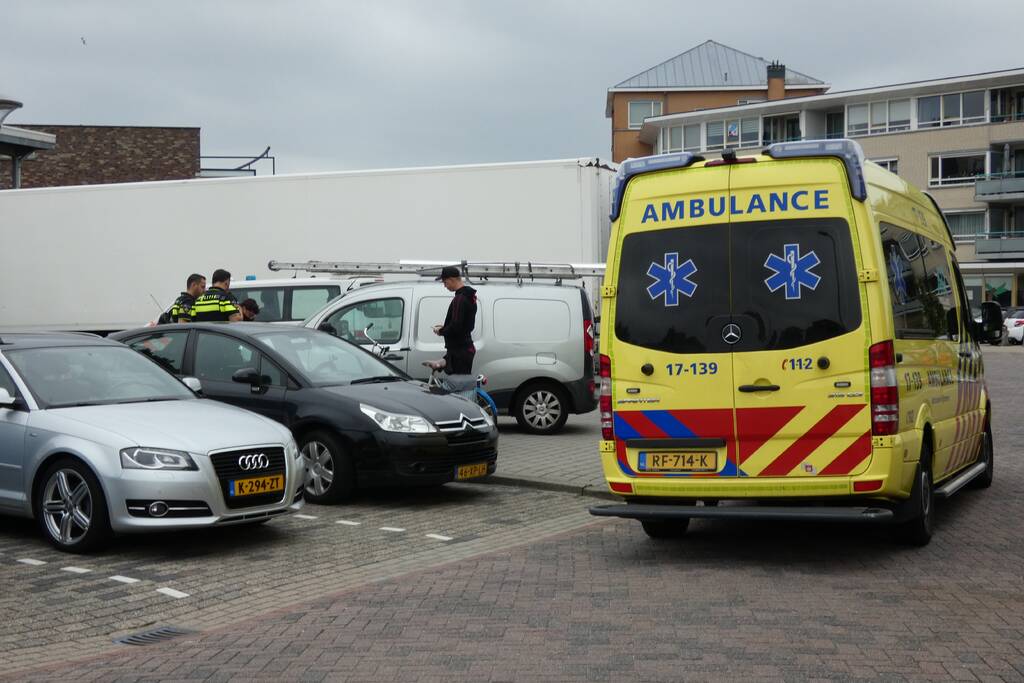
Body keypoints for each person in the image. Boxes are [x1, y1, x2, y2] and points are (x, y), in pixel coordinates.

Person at [433, 265, 477, 374]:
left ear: (451, 280)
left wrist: (441, 331)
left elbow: (456, 326)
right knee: (461, 385)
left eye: (445, 282)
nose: (445, 286)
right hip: (465, 349)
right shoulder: (469, 296)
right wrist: (446, 327)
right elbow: (463, 324)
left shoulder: (460, 299)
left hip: (459, 351)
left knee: (457, 386)